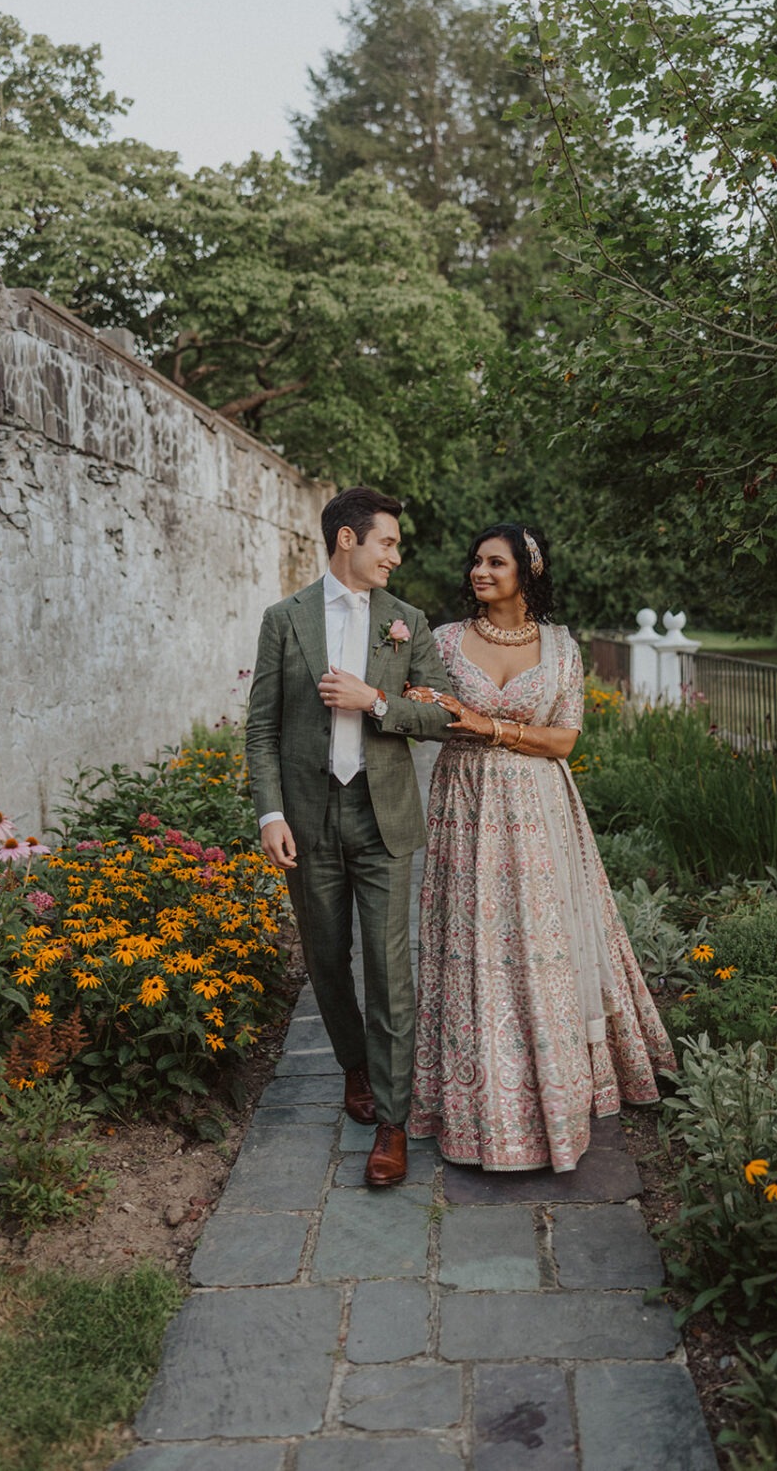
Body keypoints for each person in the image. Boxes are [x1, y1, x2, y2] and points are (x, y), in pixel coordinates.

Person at [405, 523, 676, 1172]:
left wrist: (487, 725)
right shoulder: (444, 640)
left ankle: (552, 1091)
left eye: (495, 562)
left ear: (528, 571)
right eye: (475, 561)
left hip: (541, 809)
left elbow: (564, 741)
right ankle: (476, 1102)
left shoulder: (559, 647)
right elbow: (420, 710)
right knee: (472, 942)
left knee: (540, 939)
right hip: (464, 807)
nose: (479, 572)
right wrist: (421, 702)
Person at [245, 487, 452, 1187]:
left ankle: (393, 1122)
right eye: (387, 542)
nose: (396, 554)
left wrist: (377, 702)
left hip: (382, 816)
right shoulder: (285, 619)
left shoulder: (407, 622)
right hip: (307, 821)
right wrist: (270, 815)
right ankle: (354, 1069)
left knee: (392, 973)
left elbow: (442, 714)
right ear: (347, 541)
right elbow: (262, 728)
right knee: (327, 961)